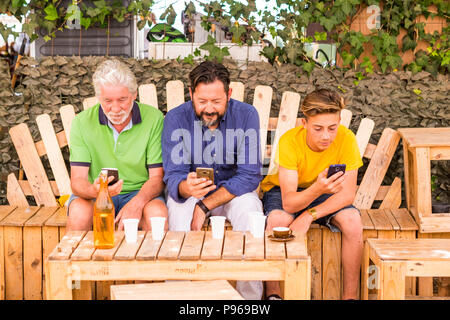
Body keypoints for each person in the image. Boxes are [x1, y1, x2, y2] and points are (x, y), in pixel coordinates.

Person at [162, 61, 263, 300]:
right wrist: (186, 187)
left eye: (217, 102)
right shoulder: (176, 119)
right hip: (193, 193)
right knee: (177, 212)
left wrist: (205, 205)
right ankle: (179, 297)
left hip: (232, 192)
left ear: (229, 94)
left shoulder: (247, 115)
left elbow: (249, 174)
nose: (209, 108)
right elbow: (173, 174)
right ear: (191, 94)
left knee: (251, 211)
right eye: (202, 101)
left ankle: (249, 300)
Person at [261, 88, 363, 300]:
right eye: (318, 128)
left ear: (340, 121)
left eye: (332, 128)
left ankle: (350, 297)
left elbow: (347, 196)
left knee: (353, 220)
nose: (326, 136)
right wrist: (317, 188)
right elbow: (289, 203)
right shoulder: (289, 141)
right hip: (287, 191)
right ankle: (273, 294)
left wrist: (309, 215)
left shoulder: (347, 139)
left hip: (326, 191)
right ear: (304, 123)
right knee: (278, 219)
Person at [67, 59, 167, 232]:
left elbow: (157, 178)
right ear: (98, 98)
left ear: (134, 94)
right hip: (96, 195)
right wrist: (95, 190)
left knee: (157, 214)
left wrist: (137, 204)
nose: (115, 108)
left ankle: (154, 259)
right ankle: (74, 259)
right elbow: (77, 181)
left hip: (140, 193)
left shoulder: (154, 118)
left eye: (122, 100)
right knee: (78, 212)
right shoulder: (81, 123)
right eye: (107, 101)